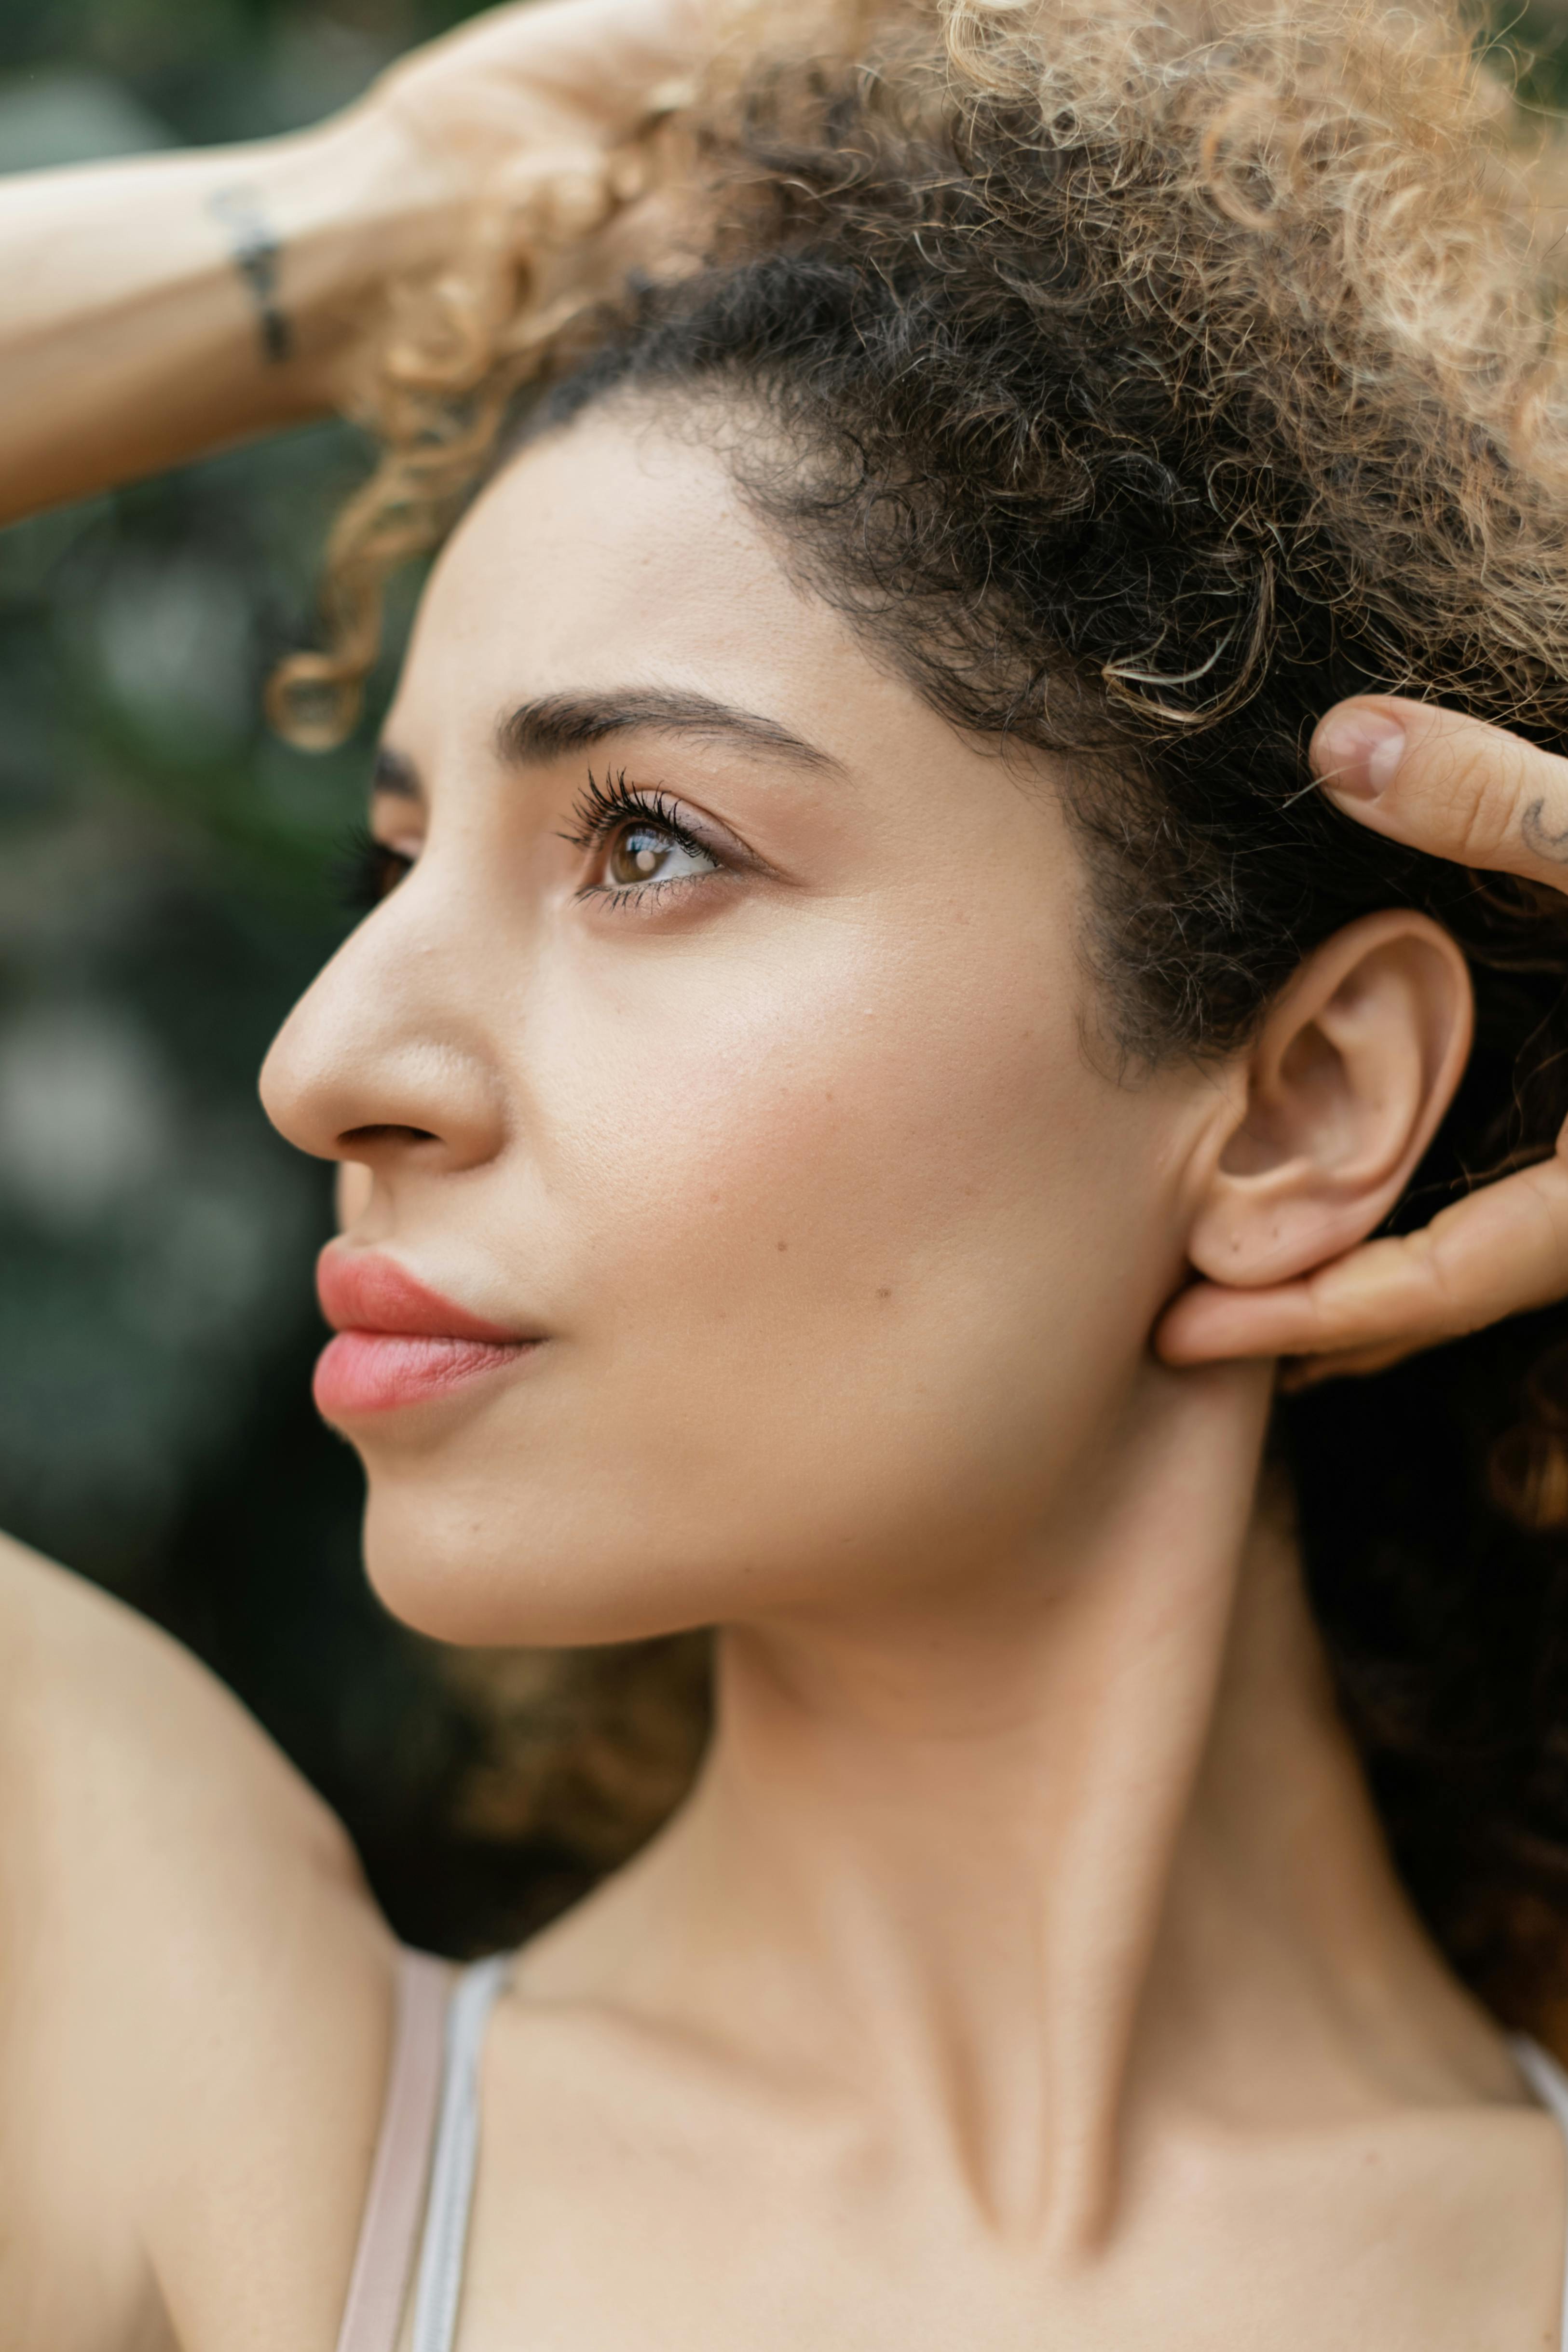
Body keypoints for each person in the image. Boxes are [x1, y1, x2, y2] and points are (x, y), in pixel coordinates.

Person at [9, 0, 1568, 2345]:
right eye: (396, 857)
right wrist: (345, 232)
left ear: (1304, 1101)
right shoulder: (205, 2096)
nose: (329, 1060)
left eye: (644, 837)